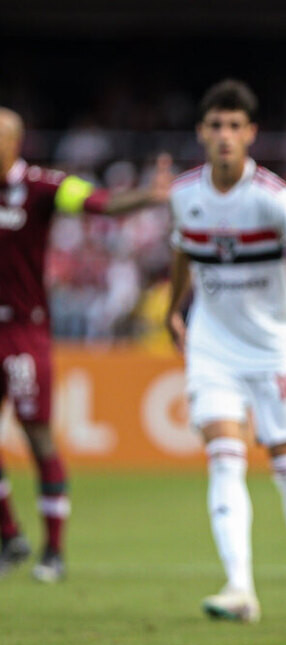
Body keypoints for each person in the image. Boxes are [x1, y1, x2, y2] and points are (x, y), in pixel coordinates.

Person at [165, 79, 286, 625]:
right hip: (212, 347)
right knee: (223, 460)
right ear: (201, 132)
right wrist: (174, 306)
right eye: (215, 125)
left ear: (251, 133)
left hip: (271, 350)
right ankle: (240, 586)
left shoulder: (272, 196)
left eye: (235, 126)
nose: (224, 135)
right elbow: (180, 249)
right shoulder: (185, 193)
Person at [0, 106, 171, 583]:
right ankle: (10, 537)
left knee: (36, 436)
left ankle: (53, 550)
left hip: (23, 331)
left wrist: (147, 197)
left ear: (14, 143)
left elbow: (101, 203)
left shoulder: (42, 186)